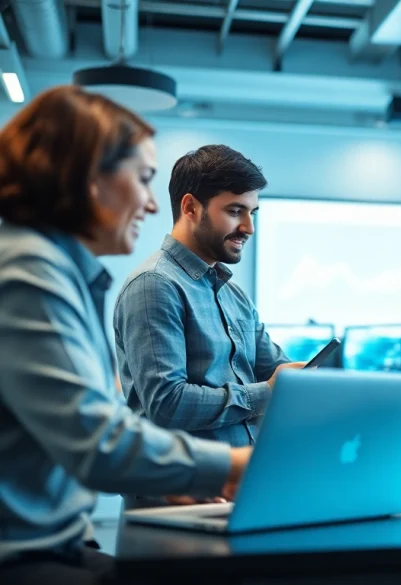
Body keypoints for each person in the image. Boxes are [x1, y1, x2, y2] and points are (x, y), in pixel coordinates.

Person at [0, 86, 249, 585]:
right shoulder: (28, 272)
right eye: (143, 179)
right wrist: (230, 465)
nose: (152, 204)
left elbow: (95, 419)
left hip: (61, 540)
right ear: (90, 179)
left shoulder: (60, 270)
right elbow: (96, 444)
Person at [113, 145, 303, 489]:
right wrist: (265, 393)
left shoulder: (232, 294)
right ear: (190, 207)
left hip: (243, 490)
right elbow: (167, 404)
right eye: (235, 211)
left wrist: (312, 383)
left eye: (253, 213)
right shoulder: (154, 285)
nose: (249, 227)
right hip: (179, 500)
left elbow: (274, 368)